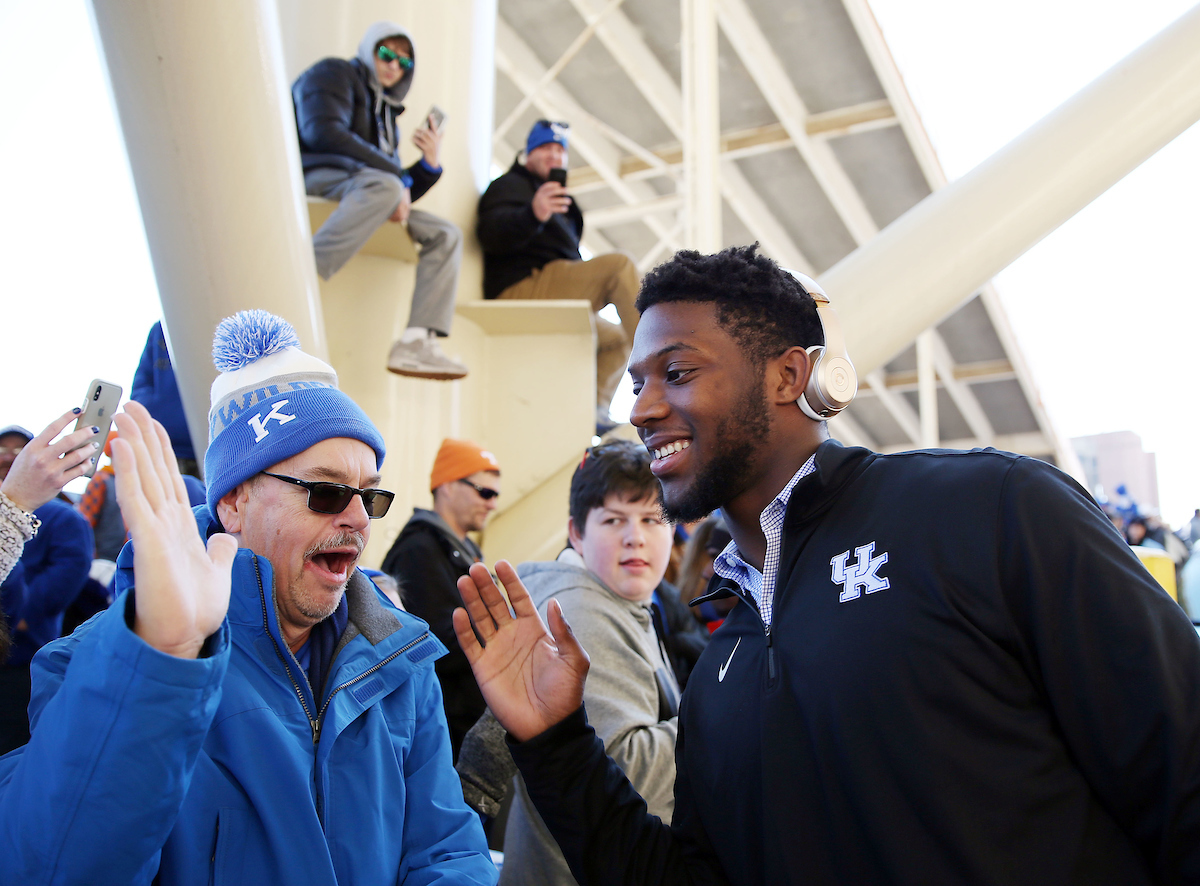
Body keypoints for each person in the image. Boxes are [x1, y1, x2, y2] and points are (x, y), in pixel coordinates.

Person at [453, 245, 1200, 885]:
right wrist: (555, 745)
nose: (642, 409)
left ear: (790, 377)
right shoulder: (723, 665)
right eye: (637, 382)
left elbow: (1181, 765)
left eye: (675, 372)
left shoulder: (990, 510)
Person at [0, 311, 495, 885]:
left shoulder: (402, 661)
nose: (360, 518)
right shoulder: (94, 664)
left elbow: (447, 851)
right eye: (327, 491)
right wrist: (158, 667)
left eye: (369, 495)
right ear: (234, 502)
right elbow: (50, 866)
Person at [498, 440, 678, 886]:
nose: (635, 536)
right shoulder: (582, 613)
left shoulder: (624, 604)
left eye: (652, 519)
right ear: (576, 534)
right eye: (614, 520)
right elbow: (626, 777)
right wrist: (725, 717)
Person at [293, 21, 467, 381]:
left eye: (404, 62)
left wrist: (428, 166)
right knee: (386, 187)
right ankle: (298, 279)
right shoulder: (333, 73)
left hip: (365, 186)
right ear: (370, 49)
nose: (393, 65)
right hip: (318, 174)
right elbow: (321, 131)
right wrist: (396, 177)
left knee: (446, 233)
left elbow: (398, 196)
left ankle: (416, 340)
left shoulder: (387, 115)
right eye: (387, 53)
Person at [477, 120, 640, 430]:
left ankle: (595, 411)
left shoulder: (565, 203)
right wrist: (532, 214)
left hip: (554, 280)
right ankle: (660, 354)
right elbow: (490, 235)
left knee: (617, 339)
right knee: (619, 267)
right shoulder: (509, 186)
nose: (554, 155)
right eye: (545, 148)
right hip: (525, 284)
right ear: (528, 153)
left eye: (560, 150)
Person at [382, 438, 501, 759]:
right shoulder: (419, 551)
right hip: (442, 737)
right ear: (447, 486)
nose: (492, 504)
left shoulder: (459, 550)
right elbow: (435, 648)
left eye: (496, 495)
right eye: (485, 492)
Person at [0, 421, 96, 753]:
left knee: (15, 742)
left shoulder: (64, 516)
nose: (8, 456)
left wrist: (21, 618)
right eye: (2, 449)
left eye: (18, 449)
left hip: (27, 653)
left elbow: (69, 572)